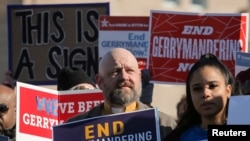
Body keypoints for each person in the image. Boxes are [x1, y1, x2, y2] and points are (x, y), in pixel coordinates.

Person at [67, 48, 176, 140]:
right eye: (115, 71)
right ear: (100, 82)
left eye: (130, 70)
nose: (124, 77)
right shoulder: (74, 130)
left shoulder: (166, 126)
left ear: (139, 77)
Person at [165, 53, 235, 141]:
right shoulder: (178, 138)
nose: (205, 94)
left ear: (228, 90)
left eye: (213, 86)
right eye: (197, 89)